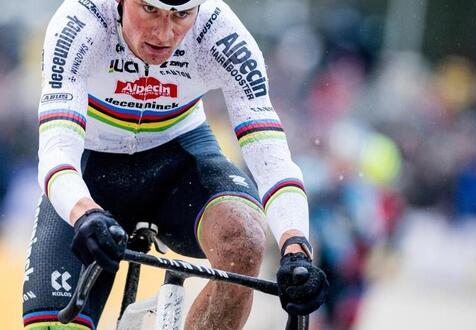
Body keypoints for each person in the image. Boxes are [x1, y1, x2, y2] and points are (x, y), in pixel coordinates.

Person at [23, 0, 329, 328]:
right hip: (91, 172)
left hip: (178, 164)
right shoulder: (81, 23)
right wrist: (84, 213)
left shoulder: (219, 31)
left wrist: (296, 247)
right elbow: (57, 151)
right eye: (150, 10)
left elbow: (271, 158)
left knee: (245, 239)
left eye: (181, 14)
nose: (165, 33)